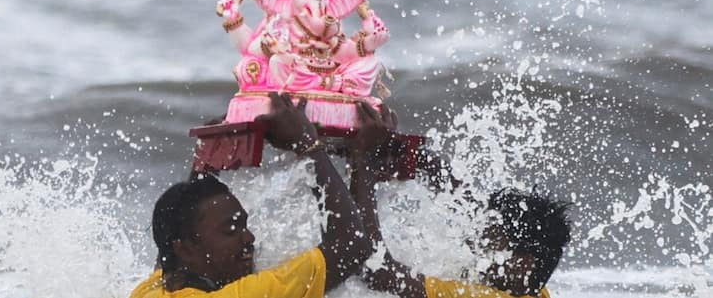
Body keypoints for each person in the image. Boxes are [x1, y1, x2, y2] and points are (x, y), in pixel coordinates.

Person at [130, 92, 378, 298]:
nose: (248, 237)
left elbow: (176, 229)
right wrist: (309, 145)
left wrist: (207, 160)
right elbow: (351, 248)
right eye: (230, 229)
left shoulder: (151, 290)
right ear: (185, 250)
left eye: (243, 225)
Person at [348, 102, 572, 298]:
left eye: (490, 234)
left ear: (522, 264)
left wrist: (363, 162)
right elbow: (465, 201)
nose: (475, 236)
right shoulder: (533, 290)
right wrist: (411, 155)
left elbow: (377, 271)